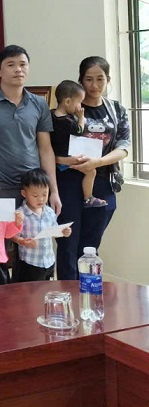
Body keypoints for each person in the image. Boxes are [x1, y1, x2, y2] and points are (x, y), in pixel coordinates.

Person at [55, 56, 130, 279]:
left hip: (103, 181)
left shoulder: (116, 109)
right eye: (89, 79)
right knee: (68, 244)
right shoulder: (67, 108)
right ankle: (68, 294)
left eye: (100, 79)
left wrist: (97, 162)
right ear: (80, 80)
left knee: (90, 245)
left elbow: (124, 147)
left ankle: (89, 292)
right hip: (68, 182)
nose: (94, 85)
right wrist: (65, 161)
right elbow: (48, 148)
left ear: (108, 80)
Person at [0, 45, 60, 211]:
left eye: (23, 64)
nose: (18, 69)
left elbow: (45, 149)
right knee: (1, 229)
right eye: (11, 65)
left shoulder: (39, 104)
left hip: (34, 189)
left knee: (33, 229)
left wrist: (53, 191)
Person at [51, 80, 107, 208]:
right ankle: (88, 198)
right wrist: (81, 118)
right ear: (68, 102)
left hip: (56, 157)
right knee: (91, 172)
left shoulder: (51, 115)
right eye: (79, 102)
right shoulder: (68, 122)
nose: (80, 106)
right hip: (68, 159)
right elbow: (79, 131)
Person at [13, 168, 72, 283]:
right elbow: (12, 235)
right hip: (30, 262)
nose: (41, 199)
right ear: (24, 194)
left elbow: (55, 231)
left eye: (45, 194)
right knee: (30, 291)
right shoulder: (21, 214)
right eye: (35, 195)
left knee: (46, 289)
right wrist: (22, 241)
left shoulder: (49, 211)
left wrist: (63, 232)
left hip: (48, 261)